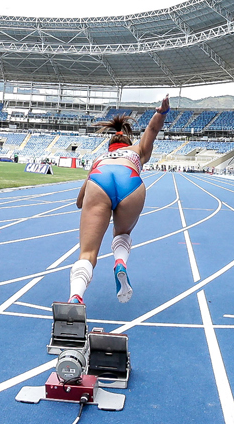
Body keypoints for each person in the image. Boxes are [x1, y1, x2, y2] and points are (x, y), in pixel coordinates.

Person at [67, 96, 170, 305]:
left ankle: (75, 297)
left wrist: (88, 205)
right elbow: (152, 131)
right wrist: (161, 113)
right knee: (122, 233)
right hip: (130, 180)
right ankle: (120, 261)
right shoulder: (137, 150)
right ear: (127, 143)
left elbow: (79, 201)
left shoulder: (99, 158)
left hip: (99, 180)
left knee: (87, 252)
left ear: (110, 146)